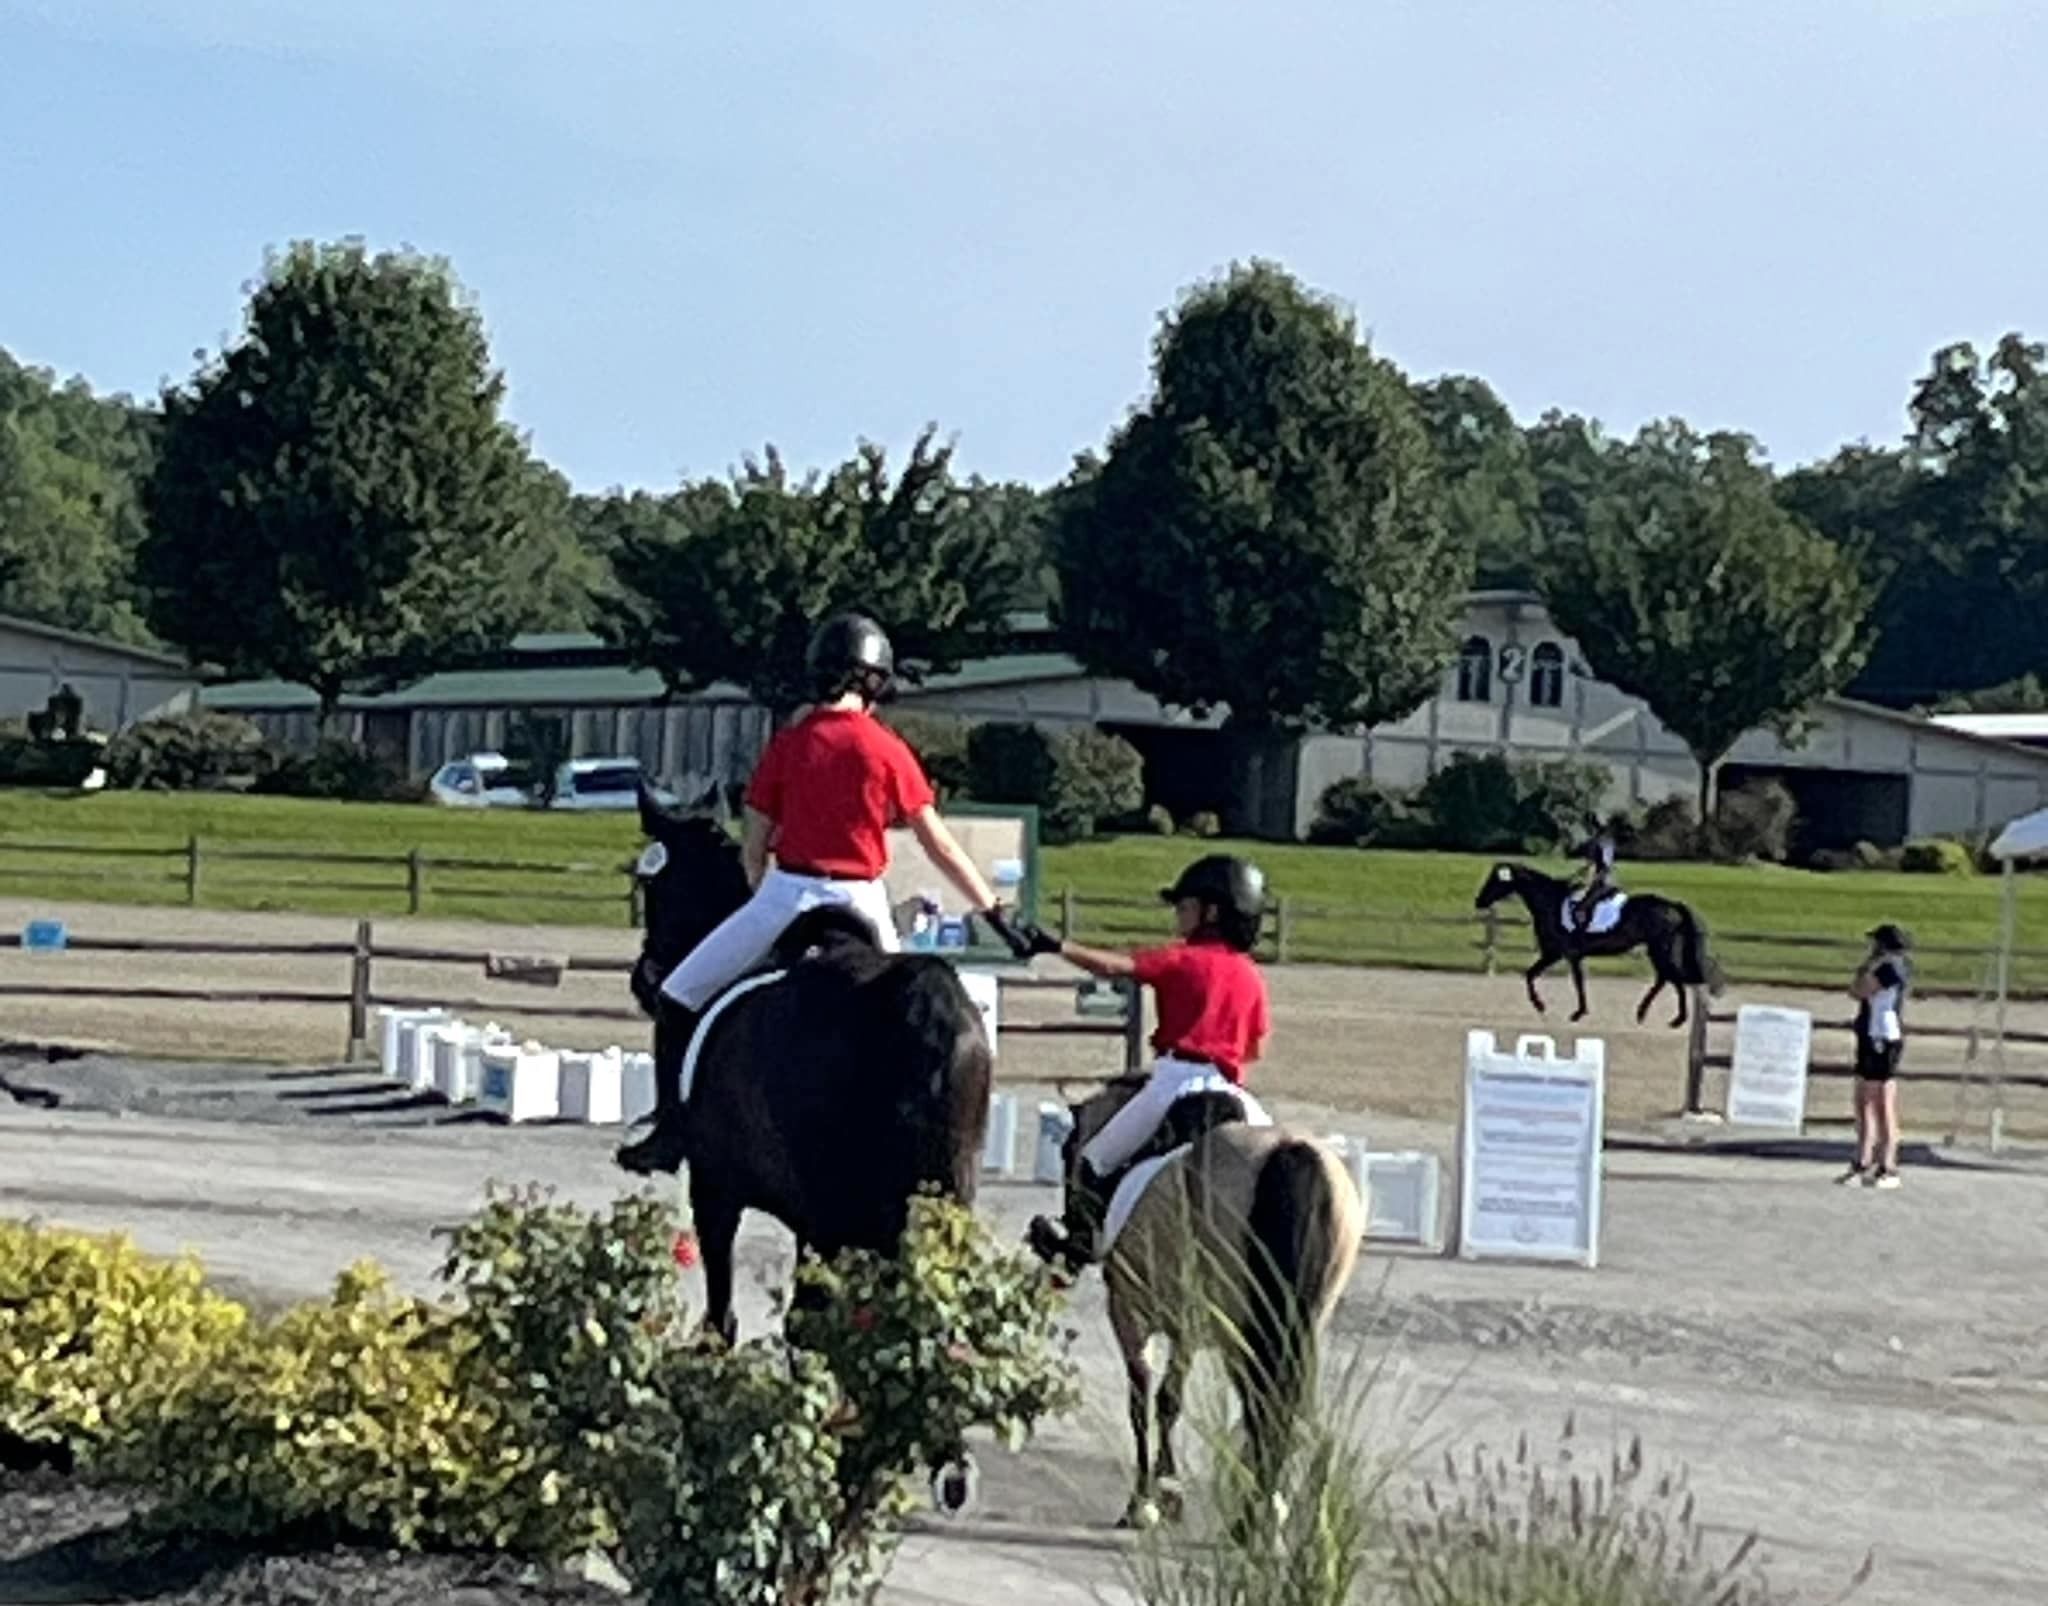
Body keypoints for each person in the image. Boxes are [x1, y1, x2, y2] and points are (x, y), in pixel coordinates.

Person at [617, 611, 1023, 1173]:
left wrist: (762, 892)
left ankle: (671, 1130)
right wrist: (994, 909)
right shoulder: (887, 749)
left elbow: (753, 845)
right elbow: (941, 846)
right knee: (916, 1014)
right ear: (876, 682)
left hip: (789, 894)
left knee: (679, 995)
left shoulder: (789, 745)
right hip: (863, 899)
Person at [1015, 853, 1273, 1274]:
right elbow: (1254, 1050)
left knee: (1093, 1159)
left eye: (1184, 906)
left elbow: (1116, 966)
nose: (1178, 916)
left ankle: (1077, 1248)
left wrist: (1056, 946)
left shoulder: (1184, 958)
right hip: (1231, 1089)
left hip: (1174, 1081)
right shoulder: (1251, 975)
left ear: (1211, 912)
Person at [1842, 922, 1911, 1189]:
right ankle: (1863, 1160)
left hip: (1884, 1035)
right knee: (1863, 1099)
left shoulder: (1891, 967)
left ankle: (1888, 1165)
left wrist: (1866, 968)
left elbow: (1860, 989)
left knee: (1882, 1101)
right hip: (1870, 1033)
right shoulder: (1880, 966)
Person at [1570, 832, 1619, 940]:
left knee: (1580, 908)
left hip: (1604, 884)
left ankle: (1581, 936)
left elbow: (1604, 868)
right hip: (1604, 883)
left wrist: (1592, 878)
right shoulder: (1606, 842)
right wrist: (1576, 875)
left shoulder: (1601, 844)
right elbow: (1591, 865)